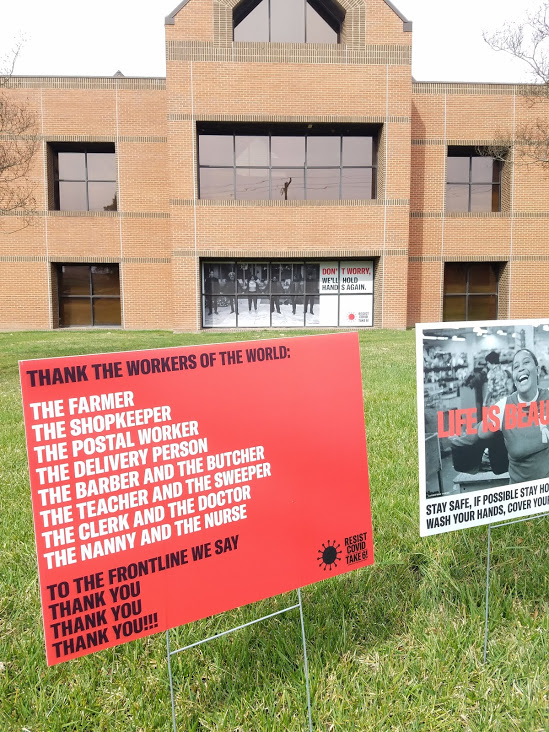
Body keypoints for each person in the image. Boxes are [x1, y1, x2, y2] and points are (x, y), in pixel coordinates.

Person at [452, 348, 549, 484]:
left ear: (537, 371)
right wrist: (457, 441)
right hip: (521, 497)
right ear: (514, 377)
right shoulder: (502, 408)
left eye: (526, 362)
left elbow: (492, 390)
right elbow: (477, 434)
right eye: (516, 366)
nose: (520, 368)